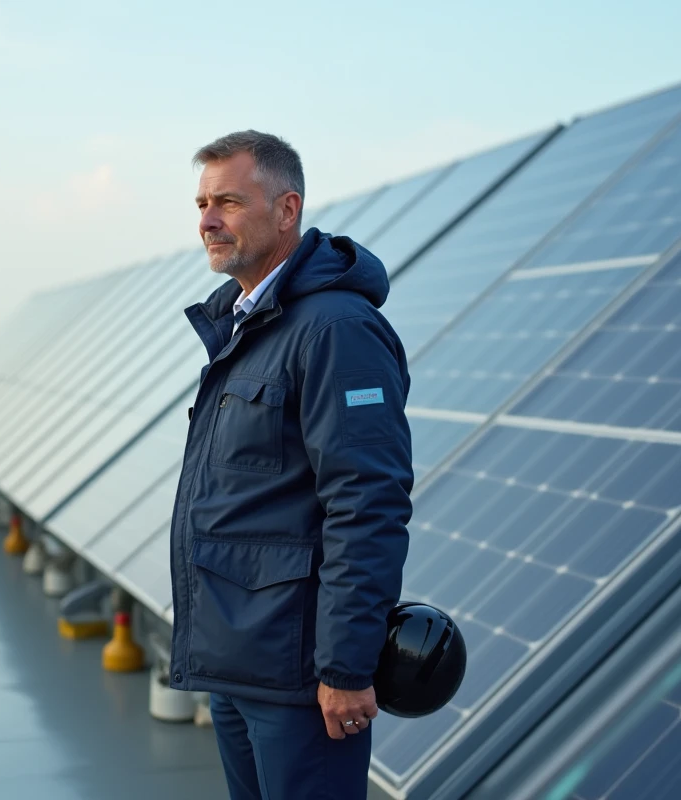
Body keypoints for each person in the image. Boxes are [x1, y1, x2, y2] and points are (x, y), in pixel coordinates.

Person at [167, 130, 415, 800]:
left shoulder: (334, 330)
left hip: (301, 676)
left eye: (228, 202)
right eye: (201, 204)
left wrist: (344, 665)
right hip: (238, 664)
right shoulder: (249, 326)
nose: (208, 220)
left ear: (287, 210)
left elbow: (367, 502)